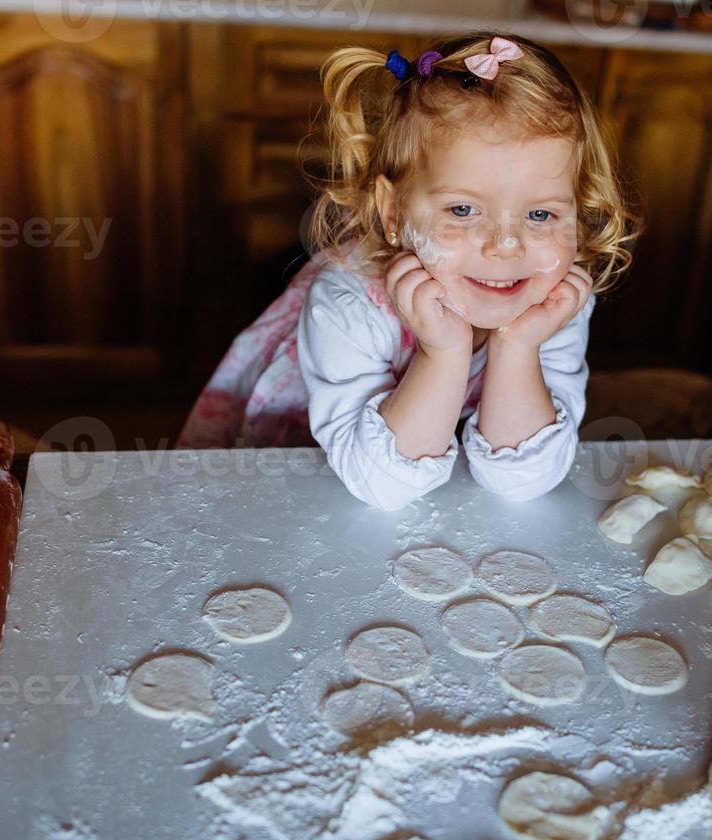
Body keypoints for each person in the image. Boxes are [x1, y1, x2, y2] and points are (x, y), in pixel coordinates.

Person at [178, 31, 638, 510]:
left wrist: (517, 345)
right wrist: (443, 353)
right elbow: (384, 488)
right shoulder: (348, 301)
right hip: (301, 489)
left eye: (540, 215)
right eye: (462, 210)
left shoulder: (550, 300)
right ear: (394, 212)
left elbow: (521, 483)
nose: (505, 246)